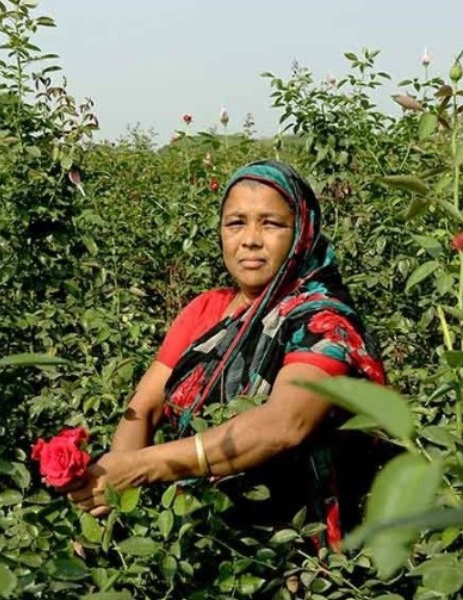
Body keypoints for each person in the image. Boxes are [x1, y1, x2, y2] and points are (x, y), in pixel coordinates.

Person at [66, 160, 386, 547]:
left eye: (271, 223)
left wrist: (140, 468)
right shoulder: (204, 311)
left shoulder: (322, 322)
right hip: (197, 534)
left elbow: (283, 425)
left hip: (293, 551)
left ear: (302, 231)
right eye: (236, 223)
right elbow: (144, 407)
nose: (250, 239)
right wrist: (109, 498)